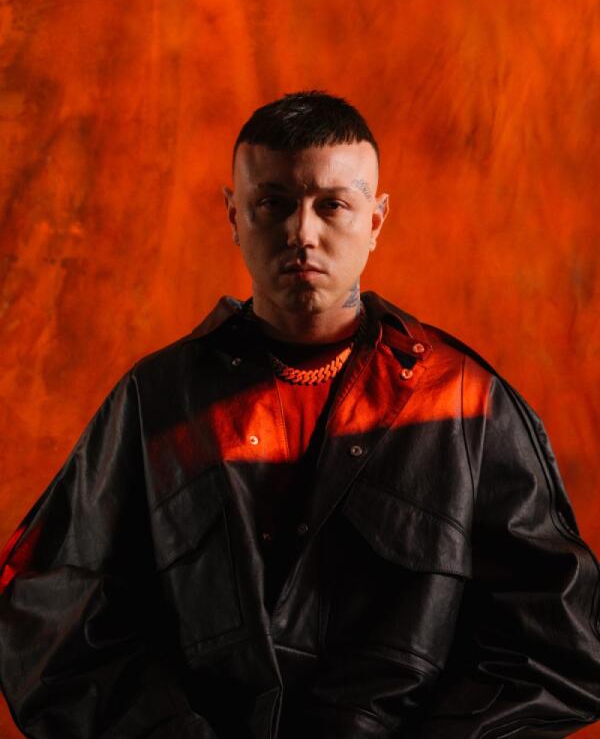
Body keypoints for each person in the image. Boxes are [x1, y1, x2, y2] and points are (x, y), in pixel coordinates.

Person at [0, 91, 599, 739]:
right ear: (234, 215)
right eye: (273, 203)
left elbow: (558, 648)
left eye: (332, 205)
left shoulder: (460, 401)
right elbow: (50, 625)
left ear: (376, 219)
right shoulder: (158, 400)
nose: (301, 234)